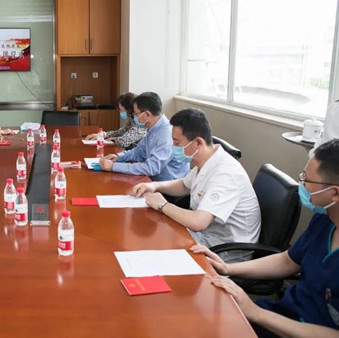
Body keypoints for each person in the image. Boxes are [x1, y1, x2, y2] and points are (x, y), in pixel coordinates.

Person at [192, 138, 339, 337]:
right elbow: (288, 261)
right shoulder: (324, 220)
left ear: (334, 193)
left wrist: (256, 313)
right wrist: (228, 268)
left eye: (307, 180)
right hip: (284, 314)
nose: (302, 185)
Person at [133, 108, 261, 262]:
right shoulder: (207, 160)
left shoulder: (226, 173)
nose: (173, 146)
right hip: (205, 237)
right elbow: (184, 185)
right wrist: (155, 186)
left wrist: (162, 205)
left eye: (177, 143)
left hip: (223, 250)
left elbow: (199, 222)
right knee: (153, 236)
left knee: (154, 249)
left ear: (198, 142)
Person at [98, 92, 189, 181]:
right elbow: (139, 152)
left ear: (147, 114)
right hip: (151, 181)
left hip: (166, 186)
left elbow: (152, 168)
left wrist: (113, 166)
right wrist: (118, 157)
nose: (134, 117)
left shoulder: (167, 134)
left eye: (136, 114)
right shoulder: (152, 128)